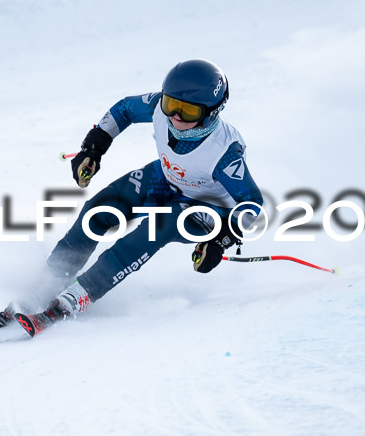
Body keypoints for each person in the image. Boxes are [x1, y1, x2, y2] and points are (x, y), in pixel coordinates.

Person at [32, 59, 264, 326]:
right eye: (171, 105)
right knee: (100, 209)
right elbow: (125, 109)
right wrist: (94, 146)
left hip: (206, 209)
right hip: (166, 179)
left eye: (188, 111)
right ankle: (52, 277)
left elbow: (251, 204)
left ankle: (82, 293)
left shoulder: (223, 153)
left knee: (158, 225)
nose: (175, 116)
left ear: (211, 112)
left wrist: (221, 239)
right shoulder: (159, 109)